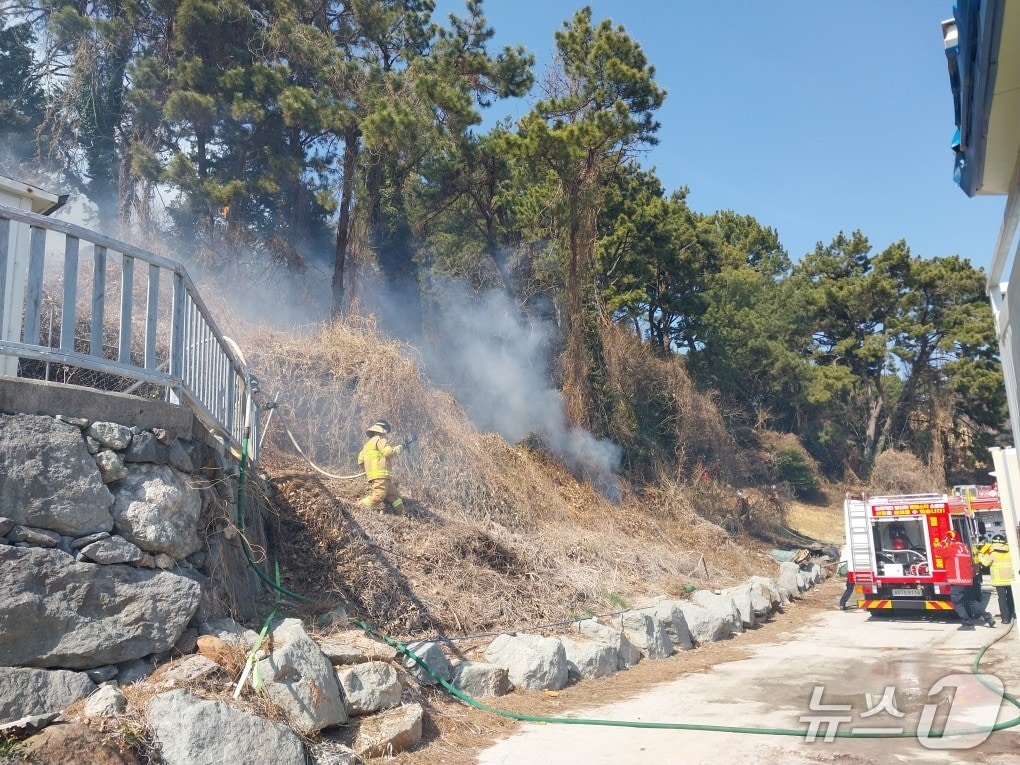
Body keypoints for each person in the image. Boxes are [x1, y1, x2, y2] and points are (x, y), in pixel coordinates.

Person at [943, 530, 995, 630]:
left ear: (949, 539)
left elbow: (937, 551)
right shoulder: (964, 548)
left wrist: (942, 542)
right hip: (968, 580)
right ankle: (988, 617)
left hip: (958, 581)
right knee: (972, 601)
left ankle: (968, 624)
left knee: (957, 603)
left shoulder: (952, 548)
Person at [357, 420, 408, 513]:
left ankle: (402, 512)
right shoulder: (381, 439)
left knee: (394, 496)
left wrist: (369, 471)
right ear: (383, 431)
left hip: (380, 476)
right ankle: (358, 507)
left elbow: (360, 461)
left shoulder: (367, 445)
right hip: (381, 474)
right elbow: (389, 453)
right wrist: (400, 447)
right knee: (379, 495)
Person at [978, 534, 1015, 624]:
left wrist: (980, 554)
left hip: (999, 581)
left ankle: (1005, 619)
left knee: (1002, 599)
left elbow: (985, 563)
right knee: (1011, 597)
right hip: (1011, 580)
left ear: (993, 542)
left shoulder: (992, 553)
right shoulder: (1011, 551)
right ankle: (1012, 614)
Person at [837, 544, 855, 610]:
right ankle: (842, 603)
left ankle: (842, 604)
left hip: (851, 570)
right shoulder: (847, 548)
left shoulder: (846, 548)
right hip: (851, 570)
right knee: (850, 588)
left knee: (849, 588)